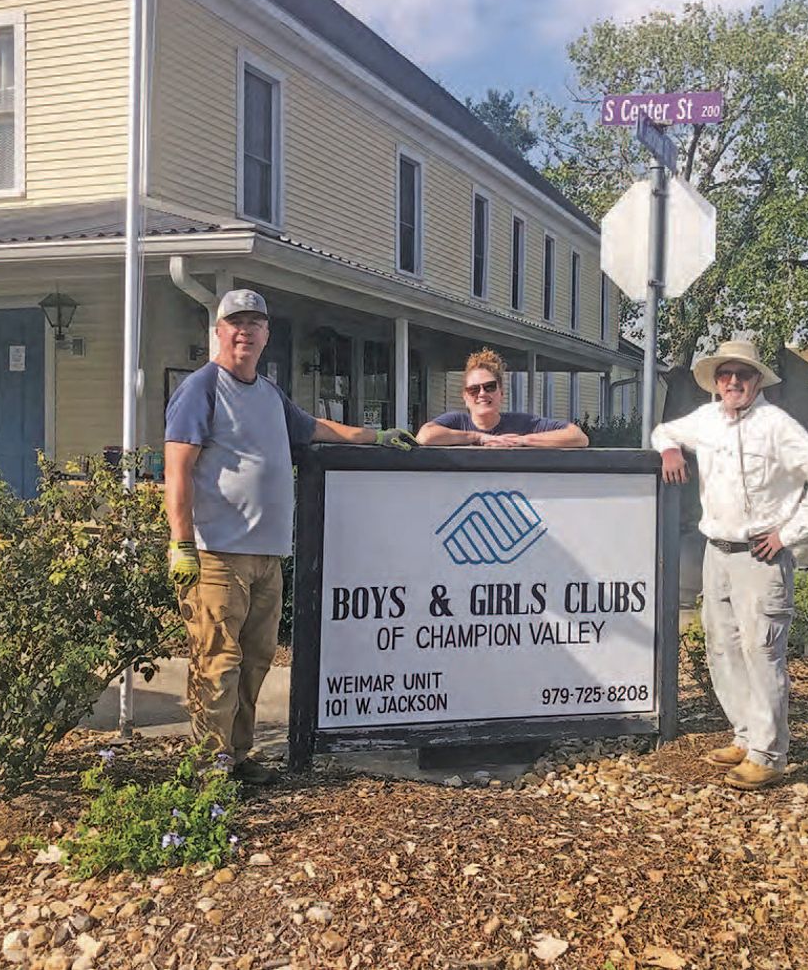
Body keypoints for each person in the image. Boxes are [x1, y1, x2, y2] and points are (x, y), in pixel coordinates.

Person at [164, 288, 416, 784]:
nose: (244, 332)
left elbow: (314, 428)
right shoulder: (202, 388)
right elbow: (177, 469)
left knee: (255, 661)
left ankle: (237, 757)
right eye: (234, 323)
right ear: (218, 331)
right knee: (217, 664)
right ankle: (206, 775)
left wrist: (376, 436)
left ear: (266, 335)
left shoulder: (269, 393)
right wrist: (180, 542)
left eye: (253, 324)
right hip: (216, 553)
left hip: (267, 554)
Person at [652, 339, 808, 791]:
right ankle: (745, 735)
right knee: (722, 648)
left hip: (761, 556)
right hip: (715, 551)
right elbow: (664, 432)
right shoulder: (707, 419)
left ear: (757, 381)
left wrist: (787, 535)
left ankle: (769, 754)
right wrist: (670, 450)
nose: (733, 382)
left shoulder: (777, 425)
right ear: (715, 381)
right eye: (725, 374)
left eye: (743, 374)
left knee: (762, 654)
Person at [415, 348, 588, 448]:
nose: (482, 393)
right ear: (465, 397)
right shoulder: (456, 421)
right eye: (474, 389)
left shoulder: (523, 424)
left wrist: (521, 440)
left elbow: (578, 436)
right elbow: (425, 436)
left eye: (489, 387)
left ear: (501, 393)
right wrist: (479, 438)